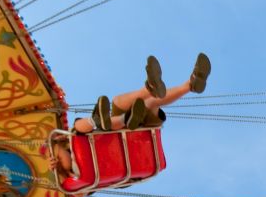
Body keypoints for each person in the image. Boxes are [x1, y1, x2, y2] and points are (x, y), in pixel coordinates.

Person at [47, 53, 211, 183]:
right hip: (126, 142)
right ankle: (111, 117)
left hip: (133, 134)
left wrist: (58, 149)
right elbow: (76, 189)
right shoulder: (74, 173)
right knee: (95, 123)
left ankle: (187, 84)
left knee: (146, 103)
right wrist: (57, 168)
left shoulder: (76, 151)